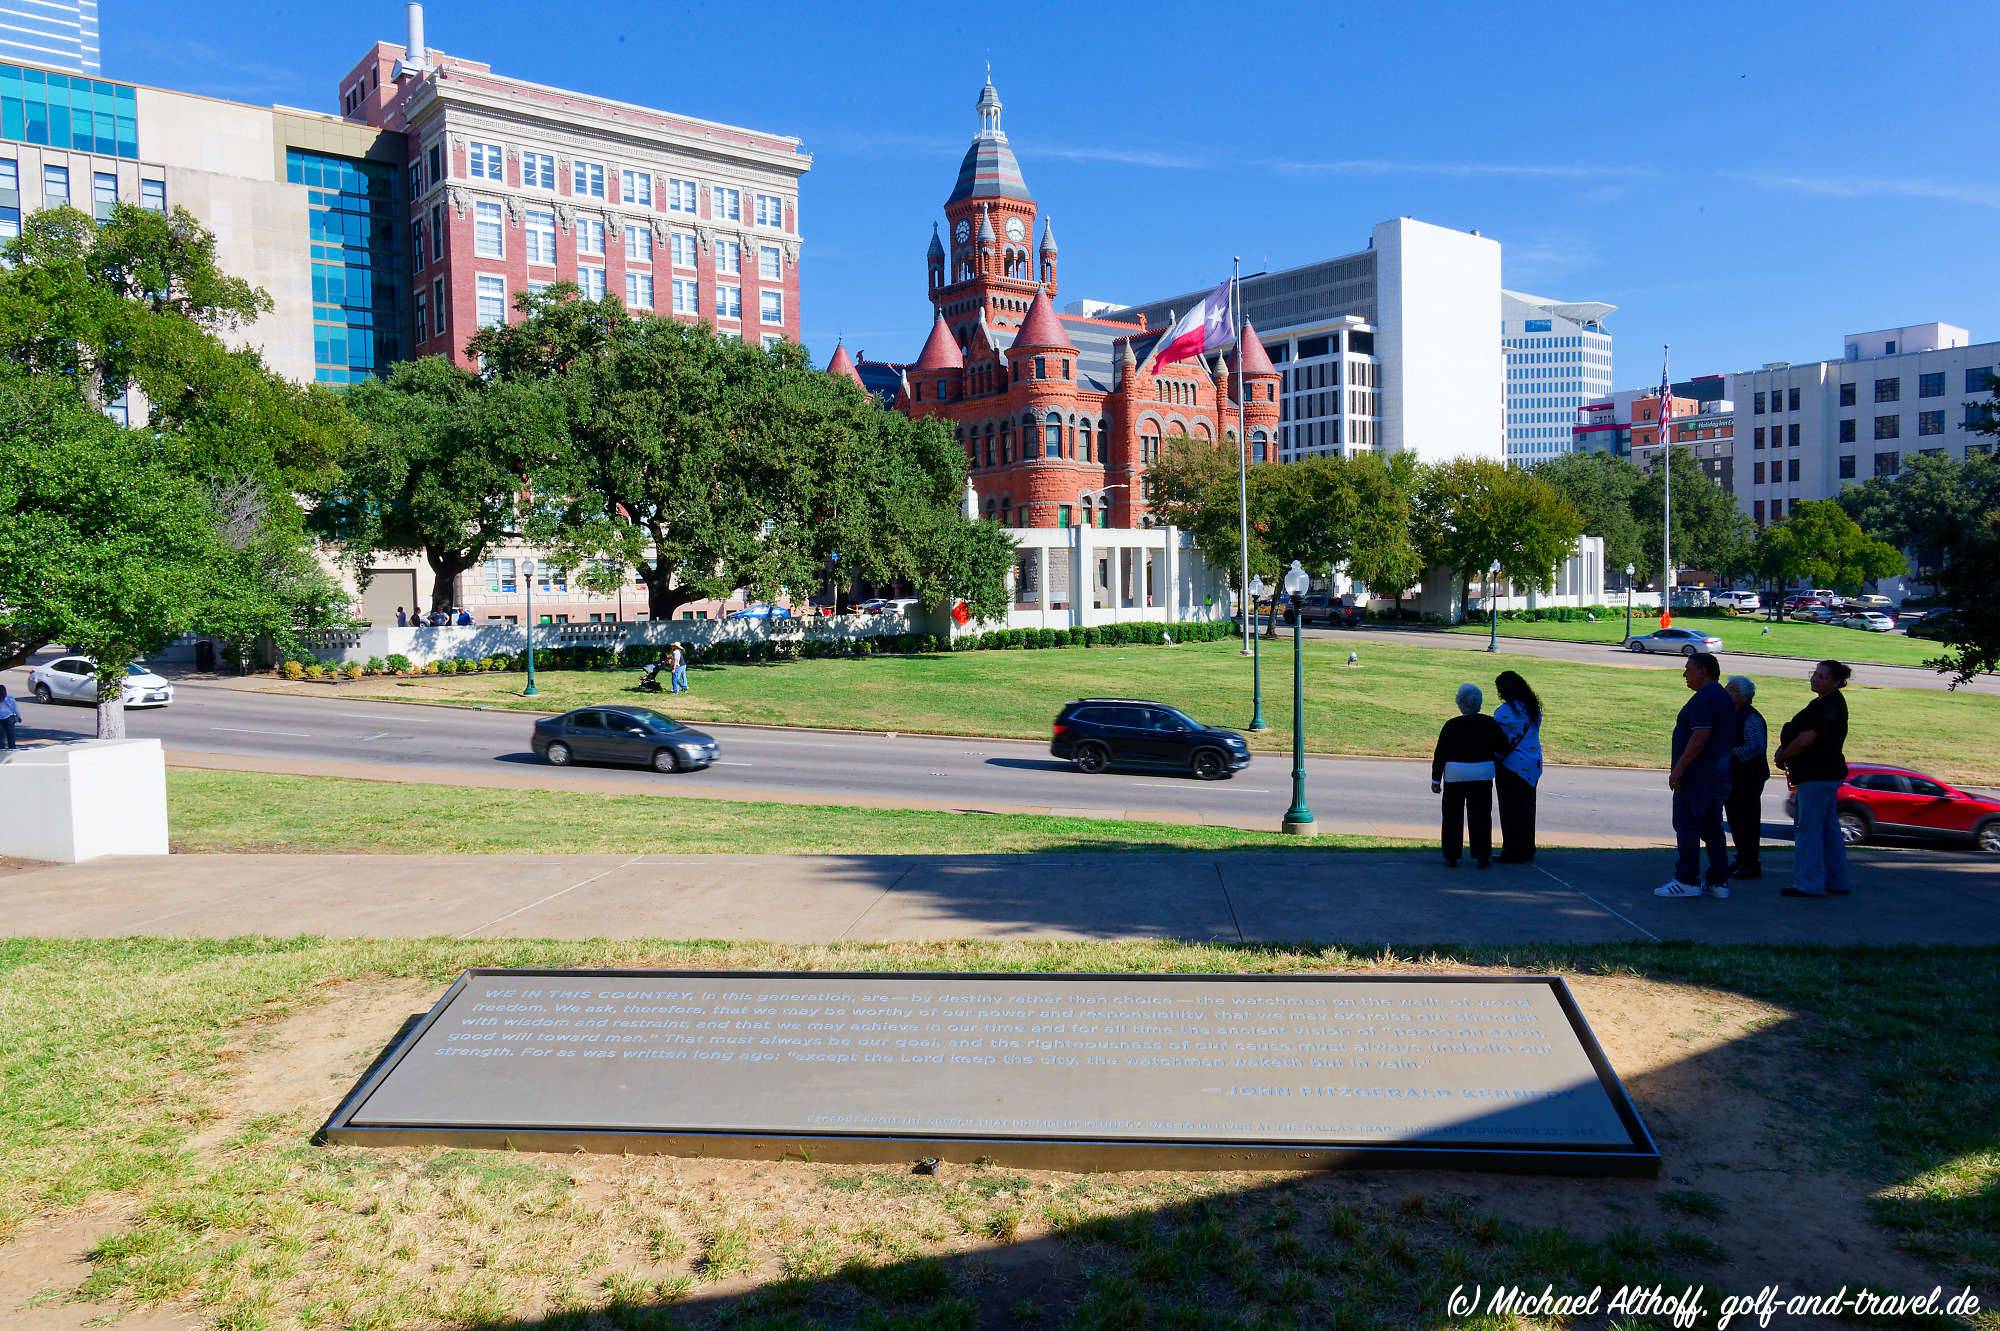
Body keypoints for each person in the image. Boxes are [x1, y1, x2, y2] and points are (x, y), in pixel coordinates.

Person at [1656, 651, 1736, 899]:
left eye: (1689, 669)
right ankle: (1718, 881)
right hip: (1717, 774)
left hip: (1697, 775)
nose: (1685, 674)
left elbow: (1699, 737)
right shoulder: (1723, 697)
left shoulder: (1705, 698)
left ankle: (1686, 879)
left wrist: (1679, 768)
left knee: (1687, 825)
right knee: (1712, 828)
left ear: (1703, 671)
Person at [1776, 659, 1852, 898]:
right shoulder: (1828, 703)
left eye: (1822, 676)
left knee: (1808, 831)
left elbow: (1805, 740)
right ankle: (1836, 881)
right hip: (1827, 775)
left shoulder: (1826, 707)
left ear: (1837, 681)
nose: (1815, 678)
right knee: (1828, 829)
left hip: (1816, 776)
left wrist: (1783, 755)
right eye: (1815, 674)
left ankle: (1808, 883)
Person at [1431, 683, 1509, 869]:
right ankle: (1482, 855)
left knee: (1452, 815)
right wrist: (1492, 758)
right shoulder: (1490, 723)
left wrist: (1436, 779)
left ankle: (1451, 855)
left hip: (1455, 774)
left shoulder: (1451, 725)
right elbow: (1503, 748)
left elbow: (1440, 753)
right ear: (1479, 703)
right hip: (1482, 773)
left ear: (1460, 704)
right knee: (1481, 814)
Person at [1492, 670, 1543, 863]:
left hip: (1511, 764)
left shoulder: (1503, 712)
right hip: (1533, 763)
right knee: (1527, 808)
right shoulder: (1533, 710)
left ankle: (1512, 850)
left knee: (1510, 809)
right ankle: (1527, 848)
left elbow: (1497, 738)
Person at [1723, 675, 1769, 880]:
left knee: (1747, 820)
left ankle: (1751, 863)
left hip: (1749, 776)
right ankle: (1742, 858)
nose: (1726, 691)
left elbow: (1755, 747)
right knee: (1734, 818)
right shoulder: (1731, 714)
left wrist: (1730, 753)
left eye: (1731, 689)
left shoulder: (1751, 718)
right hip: (1733, 775)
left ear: (1743, 696)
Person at [0, 683, 19, 751]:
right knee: (11, 736)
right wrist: (18, 716)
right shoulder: (10, 698)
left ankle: (1, 753)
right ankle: (12, 750)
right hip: (10, 718)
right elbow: (15, 708)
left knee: (1, 738)